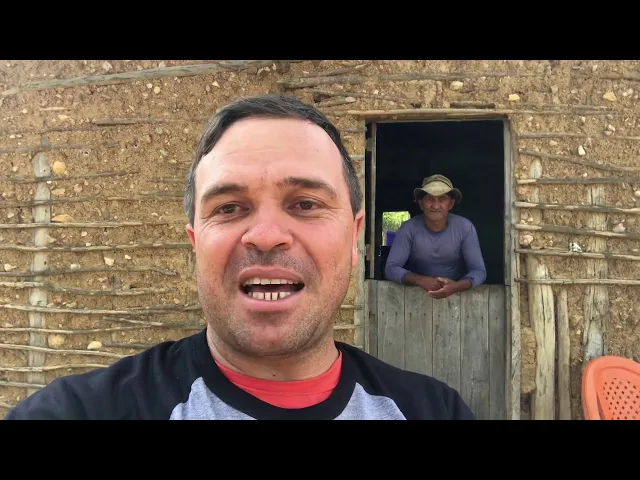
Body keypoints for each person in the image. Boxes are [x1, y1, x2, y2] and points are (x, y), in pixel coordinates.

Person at [4, 95, 474, 420]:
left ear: (353, 238)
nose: (266, 236)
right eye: (229, 208)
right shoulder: (79, 411)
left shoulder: (434, 411)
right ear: (195, 244)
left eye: (305, 204)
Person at [384, 174, 486, 300]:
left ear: (451, 204)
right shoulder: (408, 229)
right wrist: (421, 280)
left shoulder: (465, 228)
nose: (436, 206)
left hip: (457, 300)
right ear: (421, 204)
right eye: (429, 199)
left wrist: (456, 286)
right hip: (415, 298)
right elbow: (391, 268)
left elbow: (479, 270)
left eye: (442, 199)